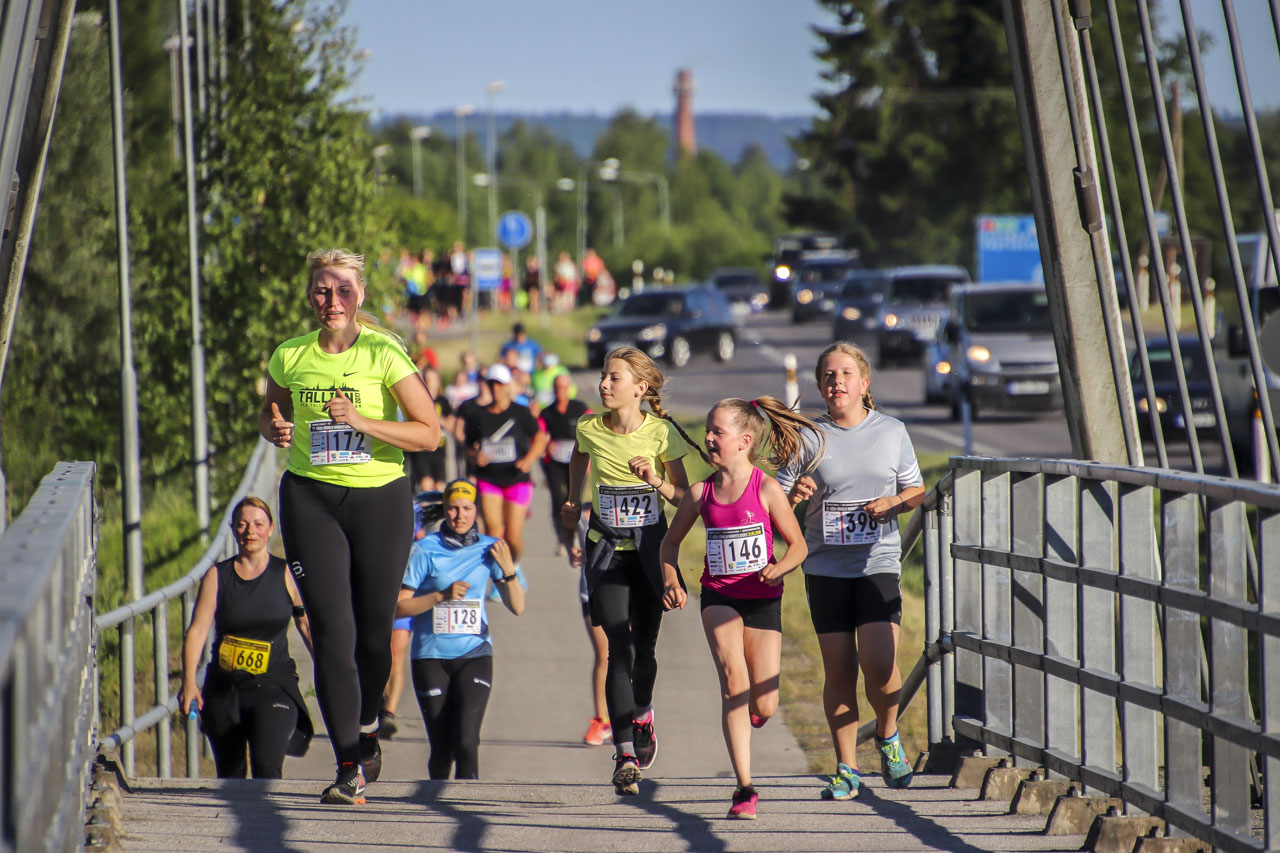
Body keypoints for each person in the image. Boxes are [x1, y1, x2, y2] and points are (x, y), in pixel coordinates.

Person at [259, 248, 441, 805]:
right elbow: (270, 412)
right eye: (321, 290)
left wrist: (362, 421)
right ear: (309, 295)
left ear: (360, 295)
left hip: (380, 501)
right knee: (329, 630)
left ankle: (366, 726)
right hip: (310, 498)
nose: (330, 301)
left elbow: (429, 434)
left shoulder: (385, 354)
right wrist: (275, 428)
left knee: (371, 636)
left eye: (342, 290)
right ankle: (347, 767)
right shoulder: (290, 355)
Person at [659, 397, 823, 819]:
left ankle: (752, 716)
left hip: (764, 599)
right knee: (734, 682)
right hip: (720, 597)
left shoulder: (766, 489)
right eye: (709, 431)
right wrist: (672, 579)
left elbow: (798, 546)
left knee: (764, 704)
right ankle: (744, 788)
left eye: (718, 432)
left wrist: (779, 568)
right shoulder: (701, 492)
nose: (708, 438)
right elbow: (670, 543)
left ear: (745, 441)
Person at [776, 342, 925, 800]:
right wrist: (796, 495)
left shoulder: (892, 431)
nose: (836, 381)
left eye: (845, 373)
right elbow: (773, 502)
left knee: (880, 665)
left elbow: (916, 489)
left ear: (864, 383)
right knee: (838, 669)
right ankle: (846, 768)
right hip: (825, 567)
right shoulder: (807, 437)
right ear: (820, 386)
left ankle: (887, 734)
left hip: (876, 561)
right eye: (827, 375)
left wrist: (894, 503)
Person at [560, 346, 700, 795]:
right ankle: (623, 754)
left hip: (649, 550)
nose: (604, 384)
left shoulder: (660, 434)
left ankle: (642, 714)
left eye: (614, 378)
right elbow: (578, 456)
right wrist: (571, 497)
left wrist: (654, 480)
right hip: (605, 549)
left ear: (639, 389)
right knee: (616, 648)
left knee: (644, 651)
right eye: (603, 375)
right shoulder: (588, 427)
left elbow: (683, 497)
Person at [396, 479, 525, 778]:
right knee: (442, 748)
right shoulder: (424, 549)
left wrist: (508, 570)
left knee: (467, 742)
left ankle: (466, 805)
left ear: (476, 510)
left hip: (475, 655)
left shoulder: (491, 549)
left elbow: (517, 606)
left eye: (467, 508)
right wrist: (440, 597)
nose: (460, 516)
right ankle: (435, 811)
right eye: (453, 508)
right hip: (431, 657)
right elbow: (400, 607)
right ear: (444, 509)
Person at [179, 497, 315, 779]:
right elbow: (198, 630)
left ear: (270, 529)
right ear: (232, 529)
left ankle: (263, 823)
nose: (250, 531)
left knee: (267, 768)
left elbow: (306, 625)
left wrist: (331, 672)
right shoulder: (217, 576)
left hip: (274, 687)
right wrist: (189, 682)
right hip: (225, 688)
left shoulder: (287, 573)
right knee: (230, 775)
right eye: (242, 525)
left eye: (257, 524)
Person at [457, 364, 548, 577]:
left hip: (517, 478)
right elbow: (468, 446)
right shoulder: (478, 415)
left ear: (507, 386)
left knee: (513, 536)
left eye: (499, 384)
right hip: (489, 478)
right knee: (494, 531)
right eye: (492, 384)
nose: (495, 388)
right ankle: (500, 575)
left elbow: (540, 437)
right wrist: (474, 455)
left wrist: (529, 459)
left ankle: (513, 567)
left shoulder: (520, 411)